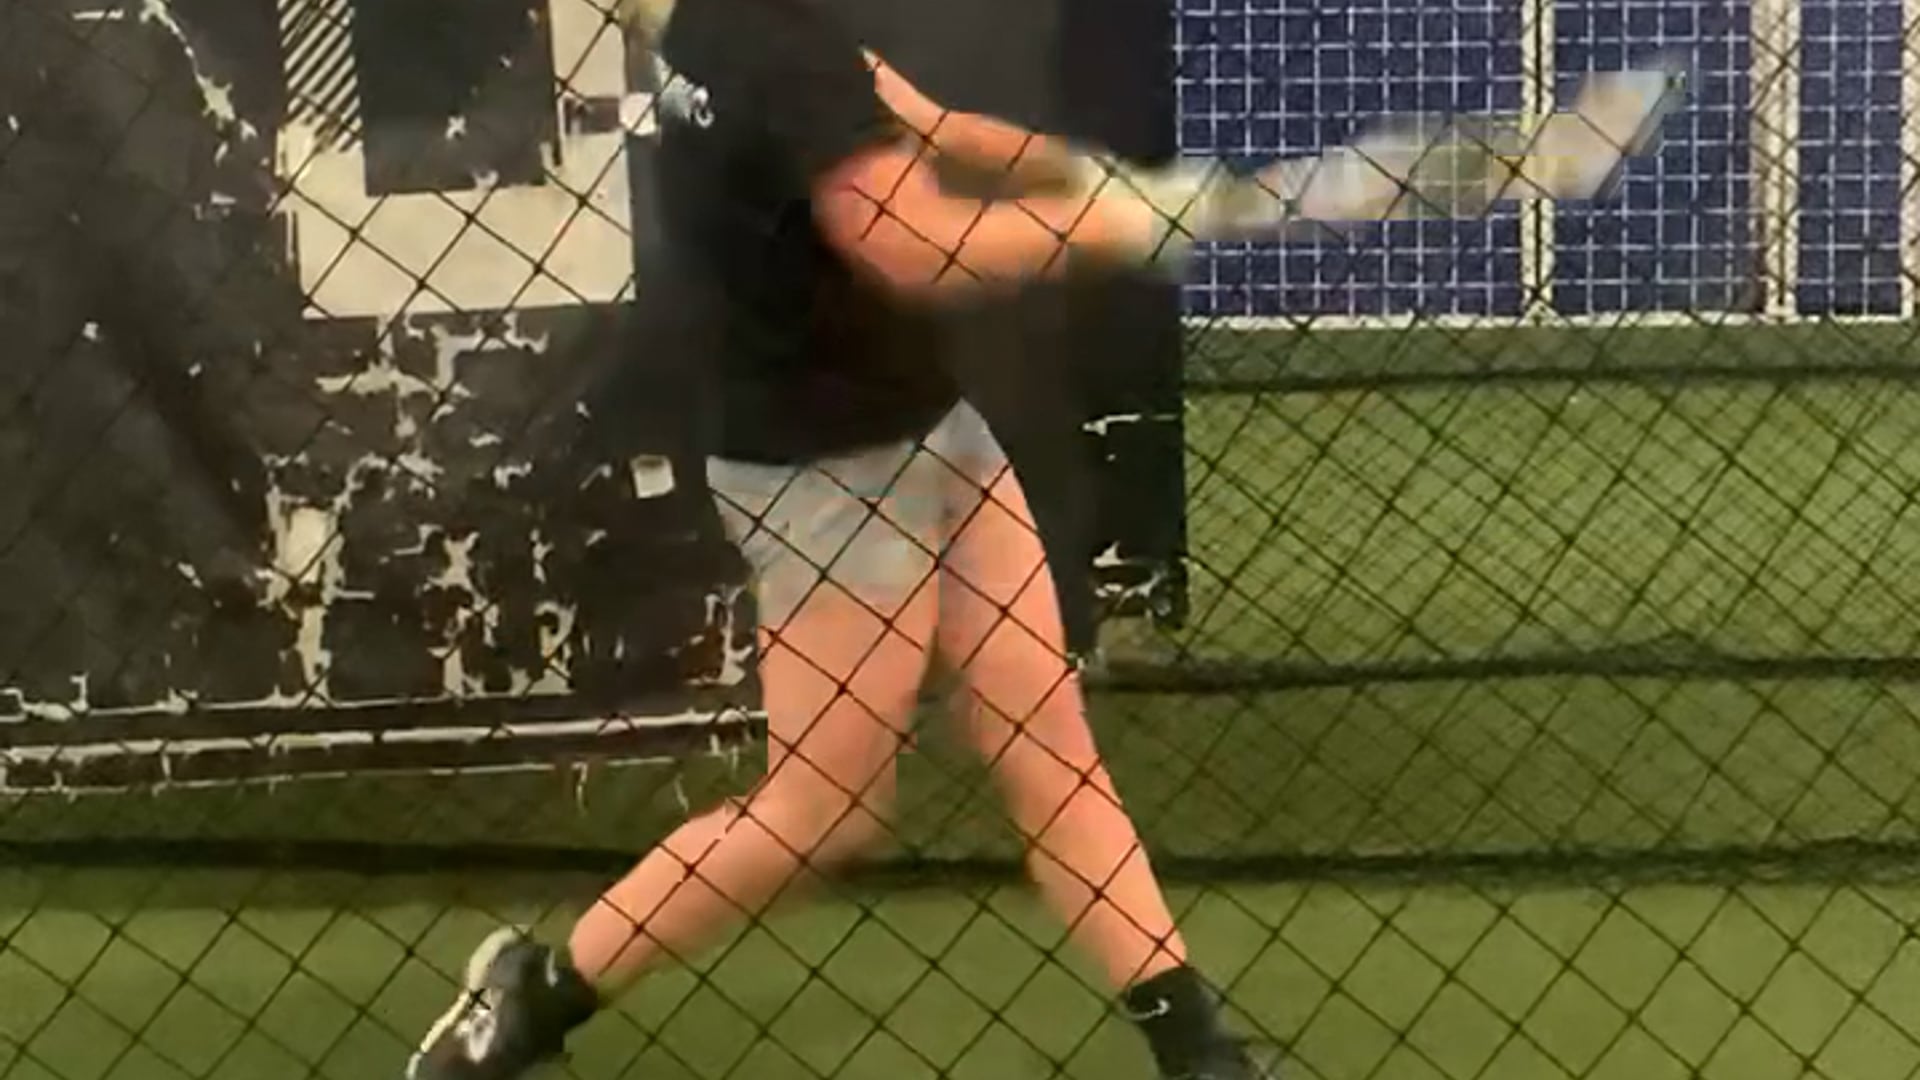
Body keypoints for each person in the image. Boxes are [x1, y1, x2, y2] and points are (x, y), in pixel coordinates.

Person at [405, 0, 1581, 1073]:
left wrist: (1104, 180)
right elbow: (910, 241)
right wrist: (1104, 227)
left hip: (926, 423)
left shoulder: (736, 23)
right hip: (823, 472)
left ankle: (1198, 1052)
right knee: (820, 812)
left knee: (1048, 741)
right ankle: (533, 996)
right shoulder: (766, 38)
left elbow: (923, 123)